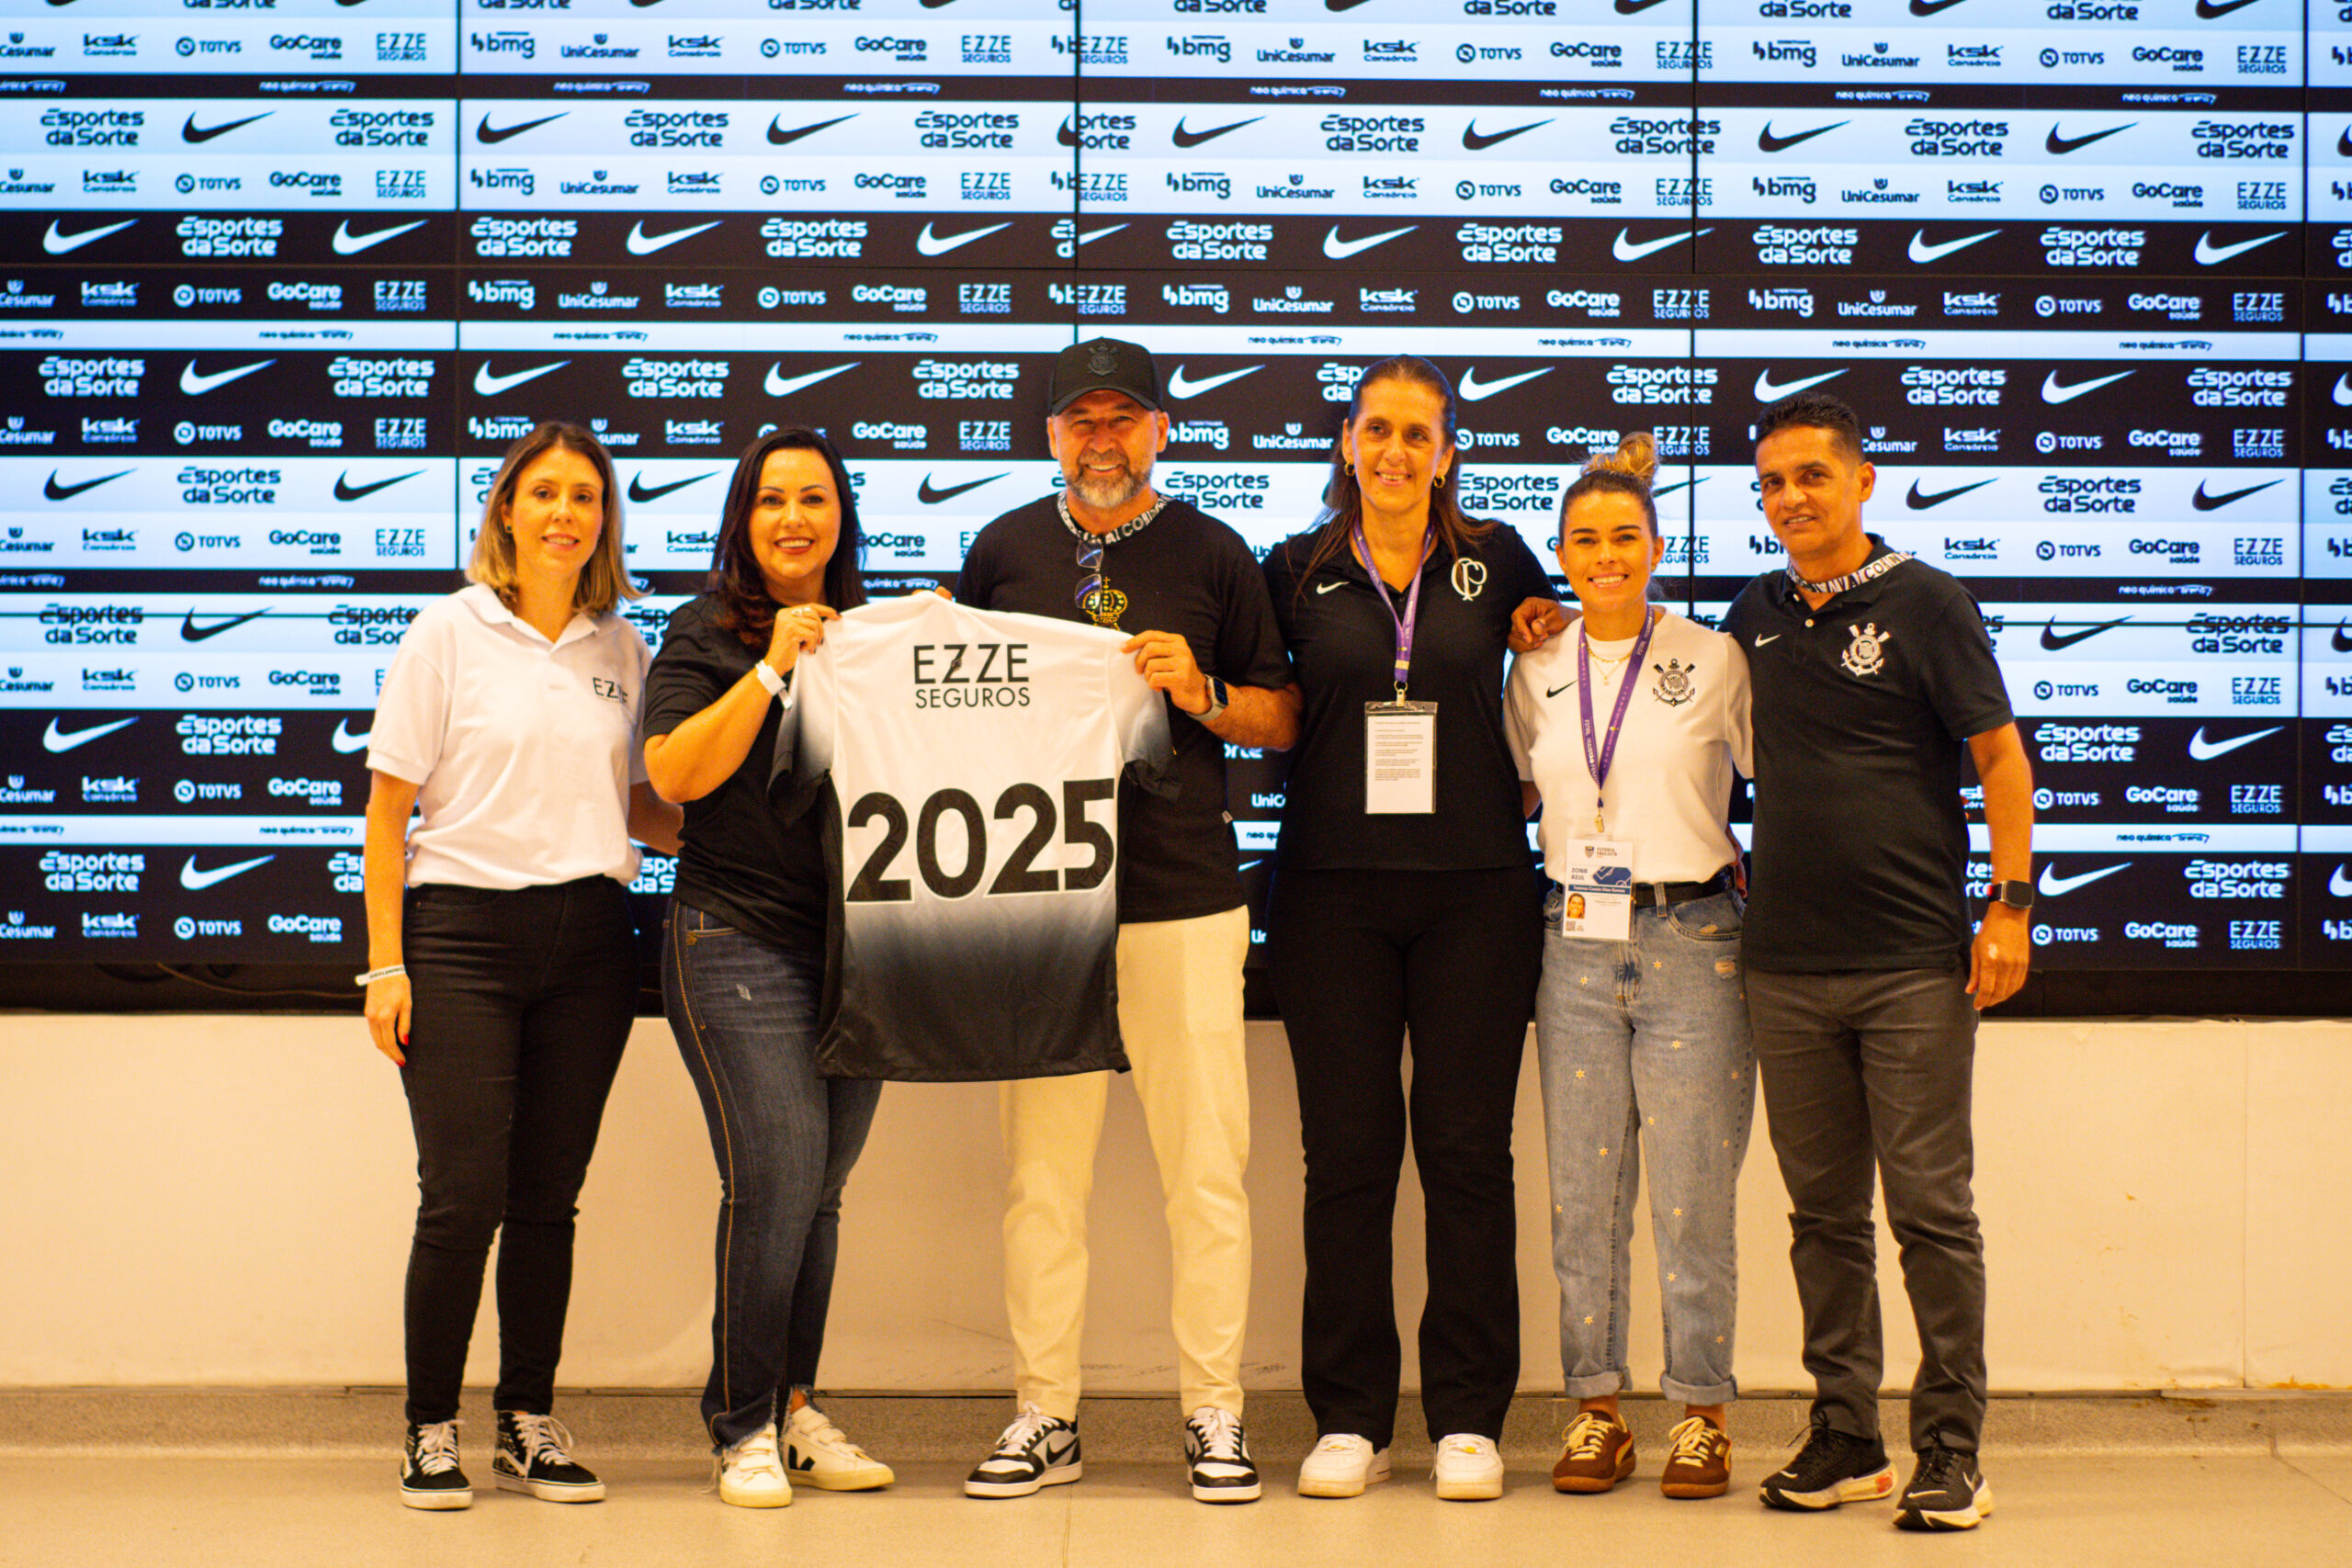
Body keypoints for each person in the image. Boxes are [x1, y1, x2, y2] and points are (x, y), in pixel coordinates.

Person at [954, 337, 1299, 1505]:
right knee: (1040, 1181)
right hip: (1040, 907)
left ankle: (1213, 1412)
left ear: (1160, 428)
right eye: (1079, 420)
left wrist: (1200, 689)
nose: (1101, 439)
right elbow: (953, 714)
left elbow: (1283, 717)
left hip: (1184, 901)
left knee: (1206, 1173)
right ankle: (1044, 1414)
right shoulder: (1000, 550)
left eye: (1123, 418)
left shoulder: (1214, 550)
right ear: (1050, 434)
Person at [361, 421, 680, 1510]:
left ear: (604, 521)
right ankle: (429, 1428)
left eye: (584, 498)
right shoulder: (447, 631)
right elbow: (388, 809)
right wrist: (384, 967)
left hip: (591, 942)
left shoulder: (622, 650)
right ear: (506, 509)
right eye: (542, 493)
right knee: (461, 1197)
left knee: (549, 1197)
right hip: (458, 940)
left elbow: (644, 807)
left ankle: (528, 1422)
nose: (563, 514)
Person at [1727, 392, 2032, 1532]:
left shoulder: (1926, 601)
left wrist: (2007, 907)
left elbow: (2000, 761)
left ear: (1862, 481)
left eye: (1810, 475)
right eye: (1770, 483)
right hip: (1782, 968)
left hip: (1911, 962)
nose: (1790, 498)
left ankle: (1950, 1452)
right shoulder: (1752, 610)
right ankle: (1845, 1436)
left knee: (1930, 1213)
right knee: (1821, 1218)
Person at [1260, 355, 1557, 1503]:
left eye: (1416, 433)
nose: (1394, 452)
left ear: (1446, 450)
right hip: (1328, 894)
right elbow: (1267, 707)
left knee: (1467, 1155)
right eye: (1374, 429)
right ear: (1346, 442)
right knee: (1345, 1159)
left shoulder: (1498, 563)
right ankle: (1349, 1417)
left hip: (1476, 893)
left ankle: (1470, 1417)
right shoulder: (1293, 569)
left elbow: (1557, 670)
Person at [640, 427, 896, 1507]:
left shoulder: (877, 638)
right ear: (743, 520)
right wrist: (771, 665)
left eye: (816, 499)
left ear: (842, 518)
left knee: (820, 1194)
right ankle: (738, 1422)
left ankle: (791, 1407)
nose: (795, 518)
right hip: (732, 937)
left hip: (857, 953)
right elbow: (672, 775)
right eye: (773, 500)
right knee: (780, 1174)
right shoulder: (705, 632)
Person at [1504, 434, 1755, 1502]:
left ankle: (1701, 1412)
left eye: (1624, 537)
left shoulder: (1713, 657)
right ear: (1559, 552)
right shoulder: (1535, 664)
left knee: (1694, 1191)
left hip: (1693, 939)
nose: (1605, 556)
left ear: (1655, 546)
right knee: (1585, 1191)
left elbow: (1774, 781)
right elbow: (1518, 794)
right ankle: (1595, 1409)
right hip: (1571, 942)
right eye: (1584, 540)